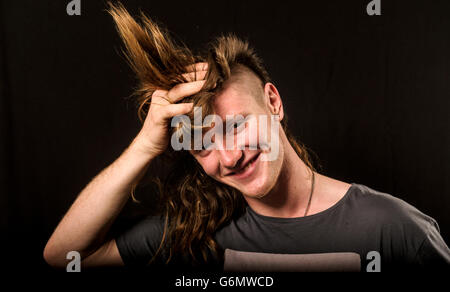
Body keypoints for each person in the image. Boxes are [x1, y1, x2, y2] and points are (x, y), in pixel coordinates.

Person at [43, 3, 450, 272]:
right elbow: (66, 257)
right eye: (202, 143)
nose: (231, 155)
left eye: (237, 125)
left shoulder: (395, 229)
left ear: (273, 102)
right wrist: (146, 144)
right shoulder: (195, 233)